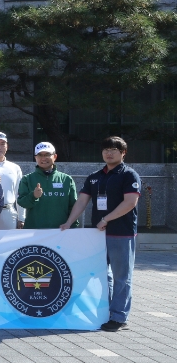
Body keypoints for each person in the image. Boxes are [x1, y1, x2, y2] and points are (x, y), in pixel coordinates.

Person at [60, 136, 141, 332]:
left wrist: (107, 219)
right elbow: (81, 201)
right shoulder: (95, 176)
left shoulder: (129, 175)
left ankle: (119, 317)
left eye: (114, 149)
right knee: (102, 274)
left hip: (121, 233)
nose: (109, 152)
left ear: (123, 153)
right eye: (106, 149)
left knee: (122, 277)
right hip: (97, 235)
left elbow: (130, 203)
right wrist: (69, 222)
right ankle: (106, 311)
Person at [18, 142, 78, 229]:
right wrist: (33, 196)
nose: (43, 158)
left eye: (47, 154)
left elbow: (74, 206)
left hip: (61, 230)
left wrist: (73, 226)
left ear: (55, 157)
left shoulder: (67, 179)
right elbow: (22, 202)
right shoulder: (27, 179)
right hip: (34, 231)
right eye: (40, 155)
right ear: (35, 157)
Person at [0, 131, 24, 230]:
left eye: (2, 144)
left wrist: (21, 217)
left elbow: (19, 193)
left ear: (7, 146)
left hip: (9, 212)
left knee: (9, 244)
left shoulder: (15, 168)